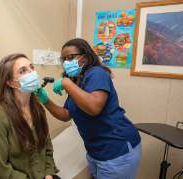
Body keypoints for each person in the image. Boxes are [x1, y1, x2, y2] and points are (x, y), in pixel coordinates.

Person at [35, 38, 142, 179]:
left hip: (116, 147)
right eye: (64, 59)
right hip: (95, 151)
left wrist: (66, 83)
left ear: (85, 56)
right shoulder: (77, 82)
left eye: (70, 57)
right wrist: (45, 100)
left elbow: (94, 107)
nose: (66, 62)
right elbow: (66, 114)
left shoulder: (96, 73)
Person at [0, 54, 59, 179]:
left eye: (31, 67)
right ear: (10, 83)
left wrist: (48, 173)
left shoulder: (38, 109)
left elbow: (47, 148)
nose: (32, 73)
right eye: (23, 71)